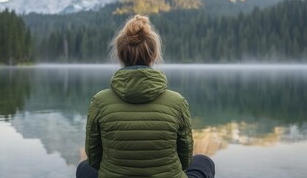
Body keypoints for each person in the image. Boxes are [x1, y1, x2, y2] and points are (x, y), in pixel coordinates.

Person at [76, 15, 215, 178]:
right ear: (154, 55)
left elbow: (94, 158)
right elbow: (185, 160)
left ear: (120, 56)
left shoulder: (100, 101)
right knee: (204, 162)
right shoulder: (177, 102)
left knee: (84, 168)